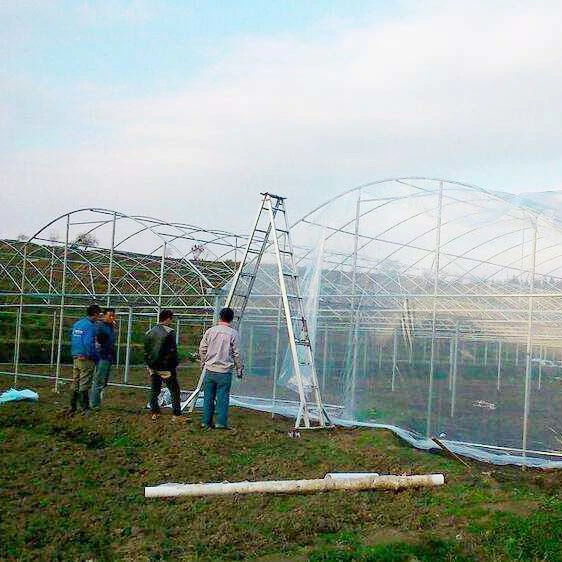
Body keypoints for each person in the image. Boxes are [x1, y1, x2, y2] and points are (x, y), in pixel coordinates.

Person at [199, 307, 244, 430]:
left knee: (208, 397)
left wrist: (204, 362)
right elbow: (237, 354)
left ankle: (205, 422)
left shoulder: (210, 331)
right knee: (223, 398)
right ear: (232, 319)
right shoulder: (233, 333)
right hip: (224, 371)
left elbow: (202, 348)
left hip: (210, 369)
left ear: (220, 317)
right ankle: (220, 423)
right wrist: (239, 368)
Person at [144, 309, 182, 420]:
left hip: (152, 366)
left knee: (155, 389)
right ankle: (176, 414)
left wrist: (149, 364)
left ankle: (155, 412)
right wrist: (174, 364)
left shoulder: (149, 332)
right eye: (171, 319)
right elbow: (172, 351)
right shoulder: (169, 333)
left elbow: (146, 350)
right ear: (168, 319)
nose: (171, 321)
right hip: (165, 368)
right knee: (174, 390)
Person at [70, 304, 101, 413]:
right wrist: (95, 356)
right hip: (86, 358)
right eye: (99, 315)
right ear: (95, 314)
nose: (99, 318)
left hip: (76, 357)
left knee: (76, 381)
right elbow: (88, 343)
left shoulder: (78, 324)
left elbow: (74, 340)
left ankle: (73, 406)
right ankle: (85, 407)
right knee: (85, 382)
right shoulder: (90, 326)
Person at [90, 307, 116, 409]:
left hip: (108, 356)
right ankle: (94, 404)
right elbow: (97, 341)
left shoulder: (110, 327)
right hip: (102, 356)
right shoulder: (100, 326)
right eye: (110, 315)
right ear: (104, 315)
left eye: (113, 316)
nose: (112, 317)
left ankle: (97, 402)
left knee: (103, 381)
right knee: (99, 381)